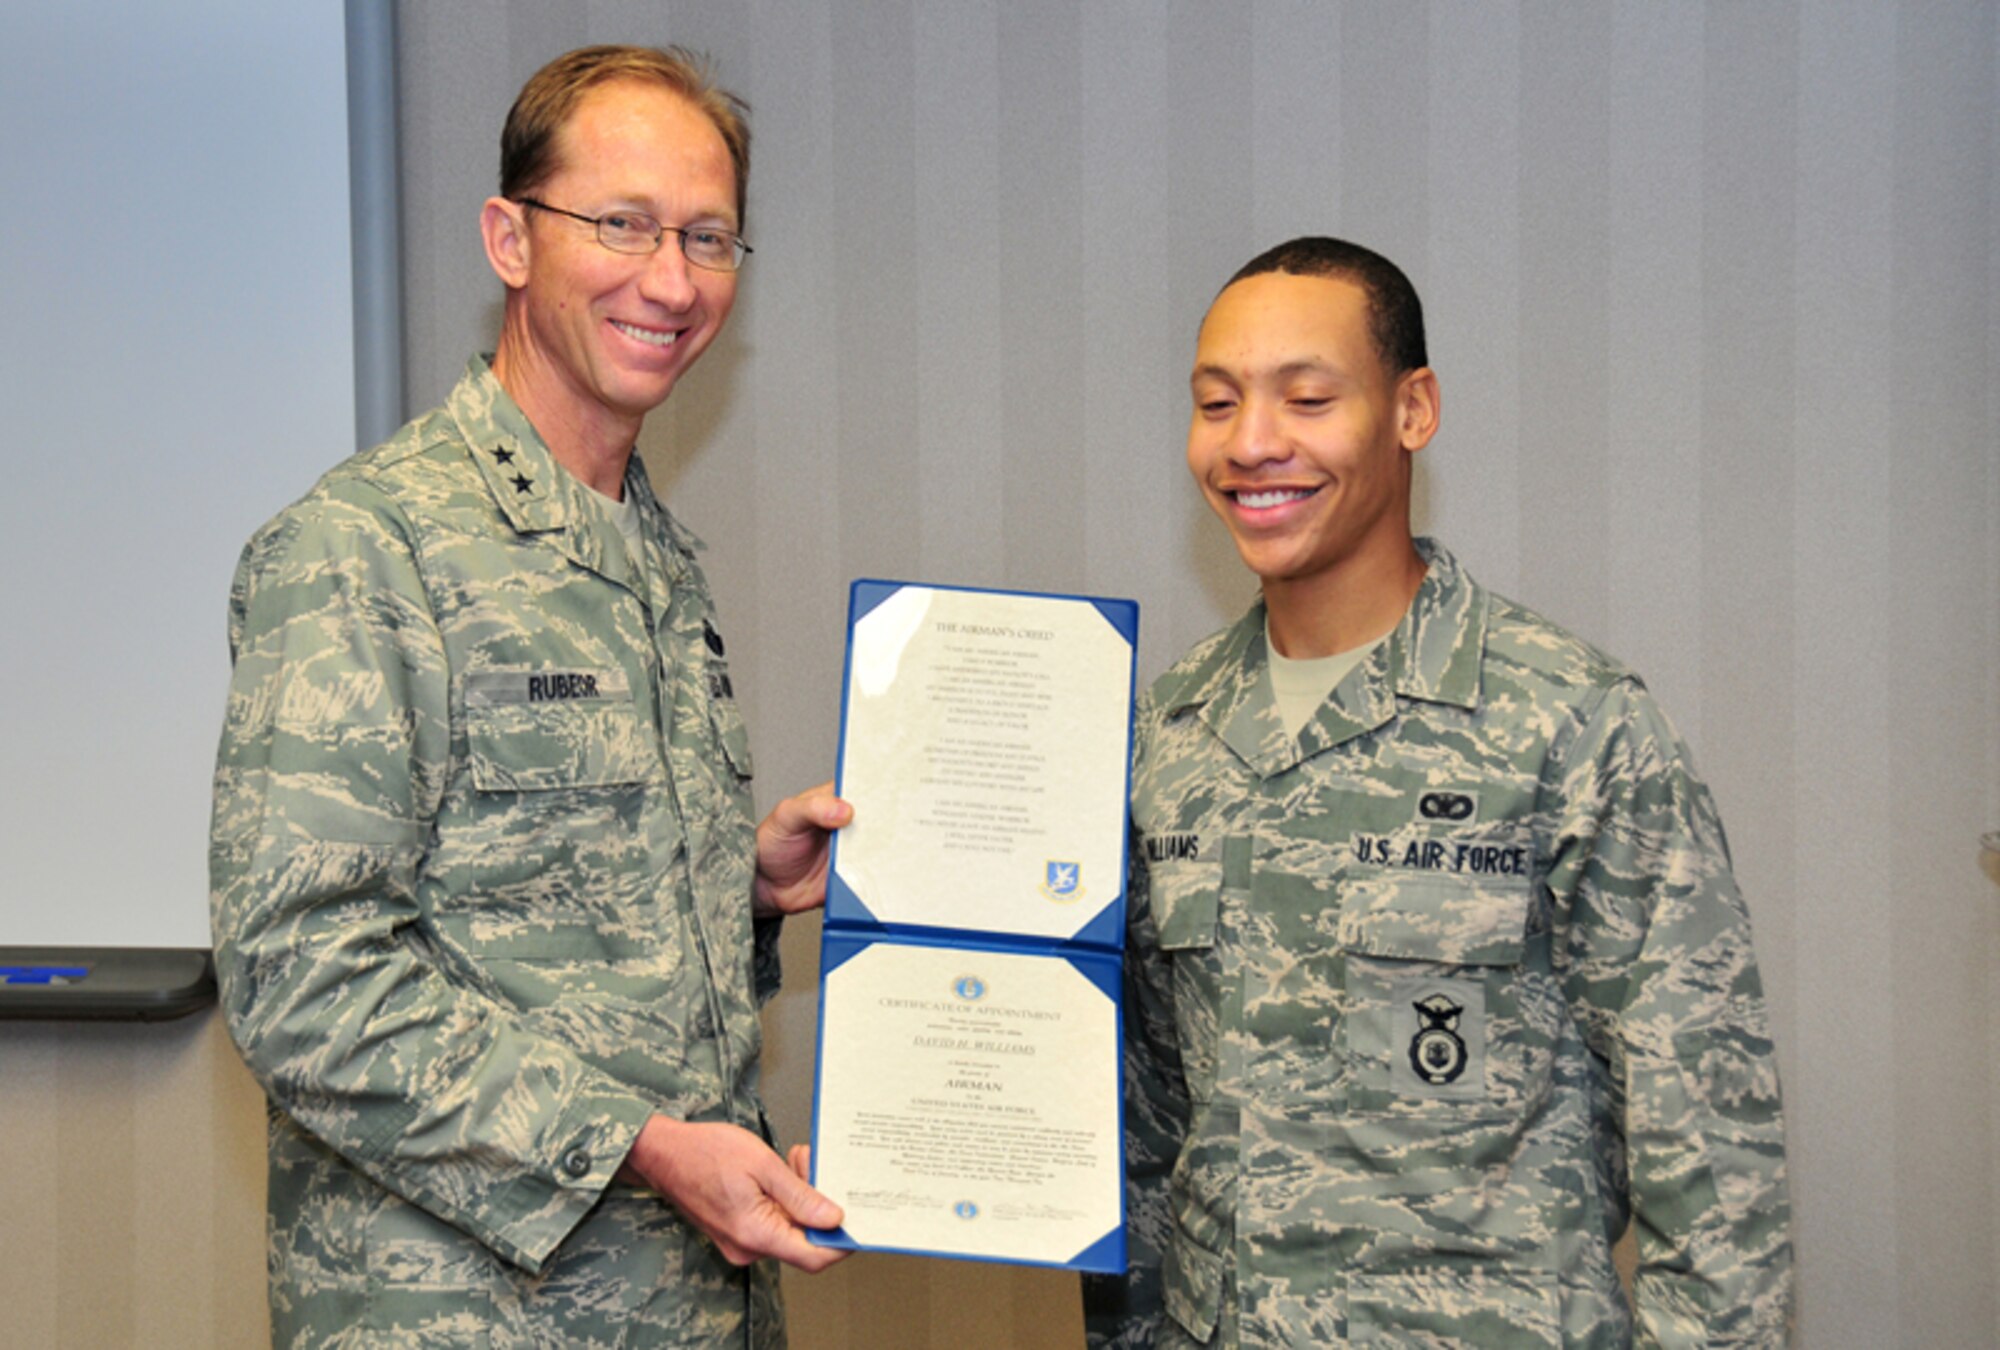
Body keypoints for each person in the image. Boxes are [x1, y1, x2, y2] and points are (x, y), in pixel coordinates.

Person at [210, 45, 846, 1347]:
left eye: (710, 238)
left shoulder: (652, 560)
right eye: (622, 225)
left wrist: (742, 884)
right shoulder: (367, 550)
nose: (670, 280)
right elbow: (304, 975)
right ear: (510, 239)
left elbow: (528, 909)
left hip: (685, 1307)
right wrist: (639, 1146)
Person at [1082, 237, 1793, 1347]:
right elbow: (1141, 1135)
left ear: (1412, 409)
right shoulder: (1163, 738)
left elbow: (1706, 1150)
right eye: (1214, 404)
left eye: (1307, 397)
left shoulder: (1570, 722)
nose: (1251, 443)